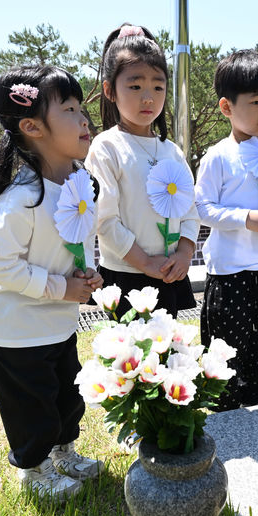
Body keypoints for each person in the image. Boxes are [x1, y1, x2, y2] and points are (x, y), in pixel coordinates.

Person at [0, 66, 104, 501]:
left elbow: (74, 243)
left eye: (82, 108)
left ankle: (63, 450)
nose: (85, 119)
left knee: (66, 395)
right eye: (69, 109)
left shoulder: (77, 185)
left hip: (57, 323)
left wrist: (86, 274)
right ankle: (34, 468)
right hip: (15, 329)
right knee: (30, 406)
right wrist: (60, 288)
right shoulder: (20, 199)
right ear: (32, 127)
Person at [195, 49, 258, 411]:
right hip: (230, 271)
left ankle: (257, 403)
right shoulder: (218, 155)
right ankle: (225, 411)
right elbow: (201, 207)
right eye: (255, 102)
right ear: (227, 107)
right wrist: (245, 218)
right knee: (226, 346)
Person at [85, 24, 200, 319]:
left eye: (158, 87)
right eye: (135, 86)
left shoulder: (172, 150)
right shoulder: (106, 146)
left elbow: (190, 210)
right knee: (129, 361)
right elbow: (104, 220)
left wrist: (185, 254)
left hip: (170, 274)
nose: (148, 97)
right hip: (127, 276)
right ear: (110, 90)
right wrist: (146, 262)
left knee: (169, 360)